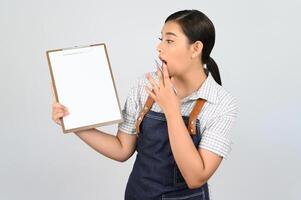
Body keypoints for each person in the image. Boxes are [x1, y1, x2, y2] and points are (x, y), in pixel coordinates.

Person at [52, 9, 238, 200]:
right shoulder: (144, 86)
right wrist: (73, 123)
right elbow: (122, 149)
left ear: (196, 48)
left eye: (169, 40)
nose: (159, 47)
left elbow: (195, 177)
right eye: (161, 39)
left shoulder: (221, 103)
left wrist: (172, 110)